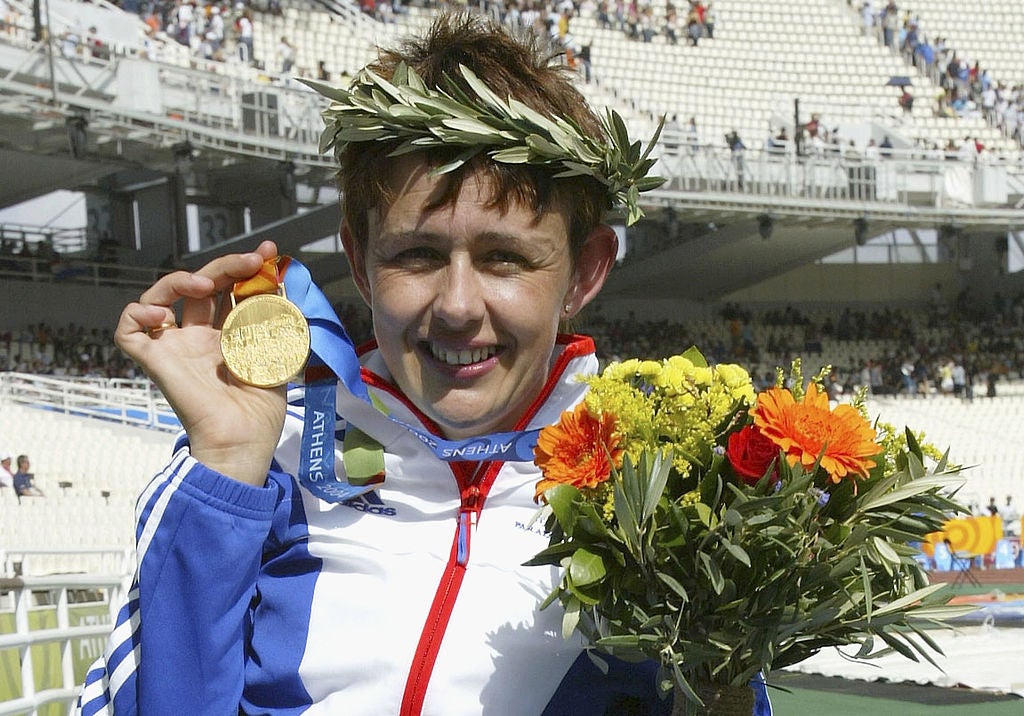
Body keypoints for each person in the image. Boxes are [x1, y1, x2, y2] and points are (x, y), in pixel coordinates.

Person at [78, 14, 771, 716]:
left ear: (585, 272)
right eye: (418, 254)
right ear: (360, 261)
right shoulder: (268, 456)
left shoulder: (665, 488)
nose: (458, 306)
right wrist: (226, 464)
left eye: (506, 257)